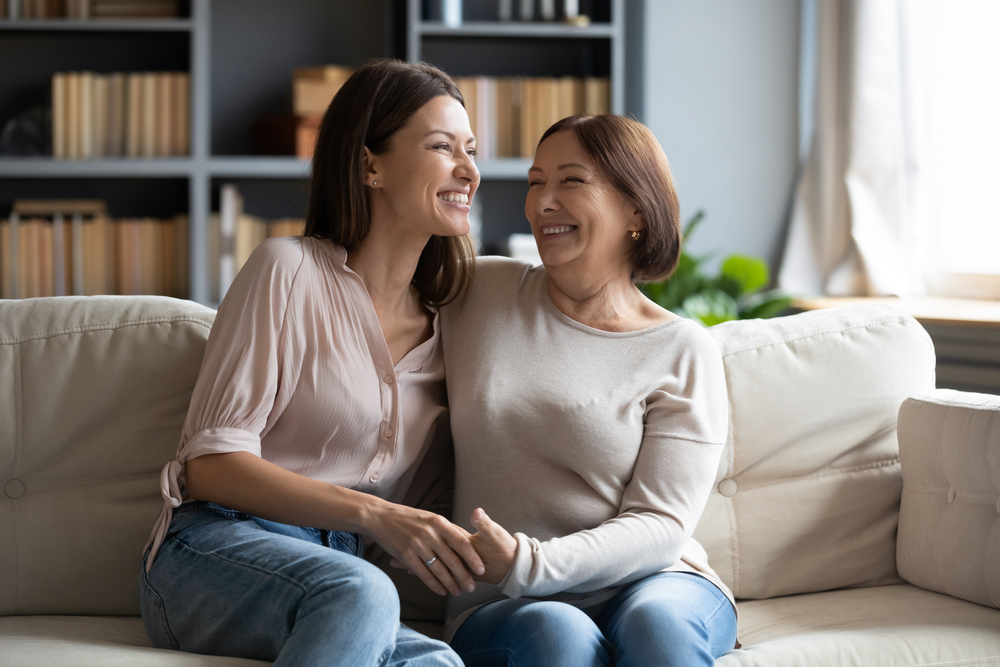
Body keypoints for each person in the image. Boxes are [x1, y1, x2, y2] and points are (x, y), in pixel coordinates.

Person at [138, 59, 485, 667]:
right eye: (441, 147)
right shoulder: (287, 269)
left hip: (338, 574)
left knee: (439, 663)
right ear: (370, 166)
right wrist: (377, 515)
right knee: (362, 592)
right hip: (218, 546)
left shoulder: (453, 326)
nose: (469, 170)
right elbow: (211, 468)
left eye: (471, 151)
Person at [436, 114, 739, 666]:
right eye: (535, 182)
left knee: (659, 626)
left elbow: (660, 523)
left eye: (571, 180)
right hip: (505, 601)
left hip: (655, 582)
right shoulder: (477, 290)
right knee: (558, 634)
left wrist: (529, 561)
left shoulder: (682, 349)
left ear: (637, 210)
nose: (543, 202)